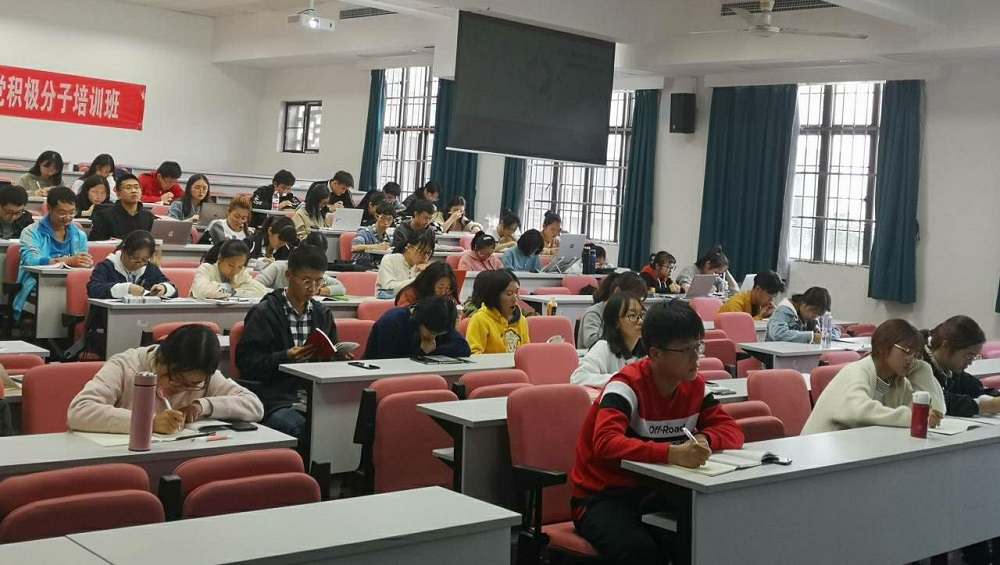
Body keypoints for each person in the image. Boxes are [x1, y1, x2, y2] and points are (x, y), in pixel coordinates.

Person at [569, 300, 744, 564]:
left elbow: (732, 431)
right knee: (642, 552)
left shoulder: (695, 386)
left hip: (655, 490)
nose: (696, 357)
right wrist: (671, 453)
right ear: (655, 353)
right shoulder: (625, 386)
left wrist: (705, 438)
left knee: (708, 529)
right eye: (685, 350)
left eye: (698, 347)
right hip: (602, 497)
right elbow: (606, 443)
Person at [68, 324, 263, 434]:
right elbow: (79, 411)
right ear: (161, 357)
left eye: (193, 384)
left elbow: (254, 406)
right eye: (177, 378)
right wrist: (150, 422)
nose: (182, 388)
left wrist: (202, 406)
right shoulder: (126, 365)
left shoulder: (204, 376)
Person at [236, 245, 343, 438]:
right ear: (289, 275)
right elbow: (246, 362)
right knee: (305, 428)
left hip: (314, 394)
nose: (313, 288)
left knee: (346, 421)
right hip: (273, 397)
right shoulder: (264, 312)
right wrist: (284, 356)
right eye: (306, 281)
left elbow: (330, 352)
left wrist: (338, 357)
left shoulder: (322, 313)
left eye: (318, 281)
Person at [802, 319, 945, 435]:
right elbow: (857, 412)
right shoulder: (857, 371)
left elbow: (935, 412)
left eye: (916, 355)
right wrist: (911, 417)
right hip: (820, 452)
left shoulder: (896, 381)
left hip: (855, 448)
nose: (911, 360)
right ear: (883, 347)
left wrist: (922, 369)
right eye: (907, 351)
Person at [85, 231, 177, 355]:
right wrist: (127, 288)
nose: (138, 264)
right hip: (107, 326)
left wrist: (164, 288)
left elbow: (173, 289)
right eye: (134, 258)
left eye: (144, 260)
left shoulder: (149, 269)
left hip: (143, 325)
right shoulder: (106, 267)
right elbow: (94, 289)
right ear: (124, 250)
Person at [14, 187, 91, 318]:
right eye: (62, 213)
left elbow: (83, 263)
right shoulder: (31, 232)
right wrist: (67, 261)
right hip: (37, 285)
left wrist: (85, 262)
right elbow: (31, 261)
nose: (67, 217)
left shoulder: (80, 235)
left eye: (72, 212)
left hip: (69, 285)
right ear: (49, 208)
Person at [922, 315, 998, 417]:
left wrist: (995, 396)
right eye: (969, 356)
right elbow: (937, 401)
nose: (970, 362)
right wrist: (988, 405)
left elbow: (974, 388)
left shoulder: (951, 369)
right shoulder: (919, 366)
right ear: (946, 346)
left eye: (974, 357)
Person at [571, 293, 646, 388]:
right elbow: (578, 378)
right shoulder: (604, 347)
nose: (640, 321)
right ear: (615, 322)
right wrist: (621, 378)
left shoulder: (648, 350)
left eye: (642, 315)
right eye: (632, 315)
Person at [364, 295, 472, 359]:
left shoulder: (442, 320)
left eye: (438, 333)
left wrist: (433, 351)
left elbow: (464, 348)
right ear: (420, 320)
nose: (433, 337)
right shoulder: (392, 322)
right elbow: (388, 362)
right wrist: (421, 352)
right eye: (432, 332)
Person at [255, 232, 346, 297]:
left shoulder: (314, 273)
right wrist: (283, 293)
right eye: (306, 281)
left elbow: (341, 288)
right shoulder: (278, 267)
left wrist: (317, 291)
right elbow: (254, 286)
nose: (312, 286)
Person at [578, 271, 647, 350]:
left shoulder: (636, 316)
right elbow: (591, 342)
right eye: (633, 298)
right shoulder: (594, 313)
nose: (636, 304)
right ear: (617, 291)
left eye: (639, 299)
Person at [466, 269, 530, 354]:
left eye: (517, 292)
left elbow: (526, 353)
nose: (515, 298)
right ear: (495, 296)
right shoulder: (480, 319)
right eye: (509, 294)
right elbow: (474, 354)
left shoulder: (522, 320)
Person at [191, 239, 268, 299]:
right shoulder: (206, 269)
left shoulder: (241, 273)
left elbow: (261, 290)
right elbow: (200, 291)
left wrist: (234, 292)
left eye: (240, 267)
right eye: (231, 265)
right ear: (220, 258)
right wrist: (229, 287)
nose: (235, 271)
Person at [89, 174, 155, 241]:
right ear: (118, 194)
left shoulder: (149, 217)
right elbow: (95, 243)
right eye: (128, 188)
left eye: (136, 187)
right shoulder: (104, 216)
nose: (134, 191)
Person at [765, 286, 840, 343]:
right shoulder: (783, 311)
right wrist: (812, 337)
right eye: (814, 312)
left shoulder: (818, 314)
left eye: (819, 314)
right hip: (776, 355)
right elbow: (777, 334)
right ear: (803, 304)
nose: (816, 317)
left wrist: (824, 336)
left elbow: (835, 331)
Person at [376, 230, 434, 299]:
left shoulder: (424, 268)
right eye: (422, 252)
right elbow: (389, 289)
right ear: (409, 247)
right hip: (388, 303)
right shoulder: (390, 259)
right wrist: (419, 278)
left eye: (428, 253)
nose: (425, 257)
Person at [718, 270, 783, 320]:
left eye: (773, 297)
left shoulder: (759, 304)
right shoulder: (735, 303)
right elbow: (740, 328)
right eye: (769, 297)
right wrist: (760, 316)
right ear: (758, 289)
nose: (771, 300)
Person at [675, 245, 739, 294]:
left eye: (720, 273)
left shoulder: (713, 276)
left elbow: (736, 291)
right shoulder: (689, 271)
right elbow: (686, 289)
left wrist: (726, 271)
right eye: (715, 272)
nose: (716, 275)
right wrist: (706, 289)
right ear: (708, 264)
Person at [395, 261, 460, 307]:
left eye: (447, 288)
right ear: (430, 283)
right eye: (440, 288)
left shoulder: (448, 295)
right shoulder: (410, 295)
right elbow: (404, 318)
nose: (443, 292)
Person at [351, 200, 394, 269]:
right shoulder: (365, 232)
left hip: (378, 268)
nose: (386, 222)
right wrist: (377, 246)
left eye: (389, 219)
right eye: (383, 218)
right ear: (377, 216)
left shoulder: (387, 238)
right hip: (361, 267)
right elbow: (354, 248)